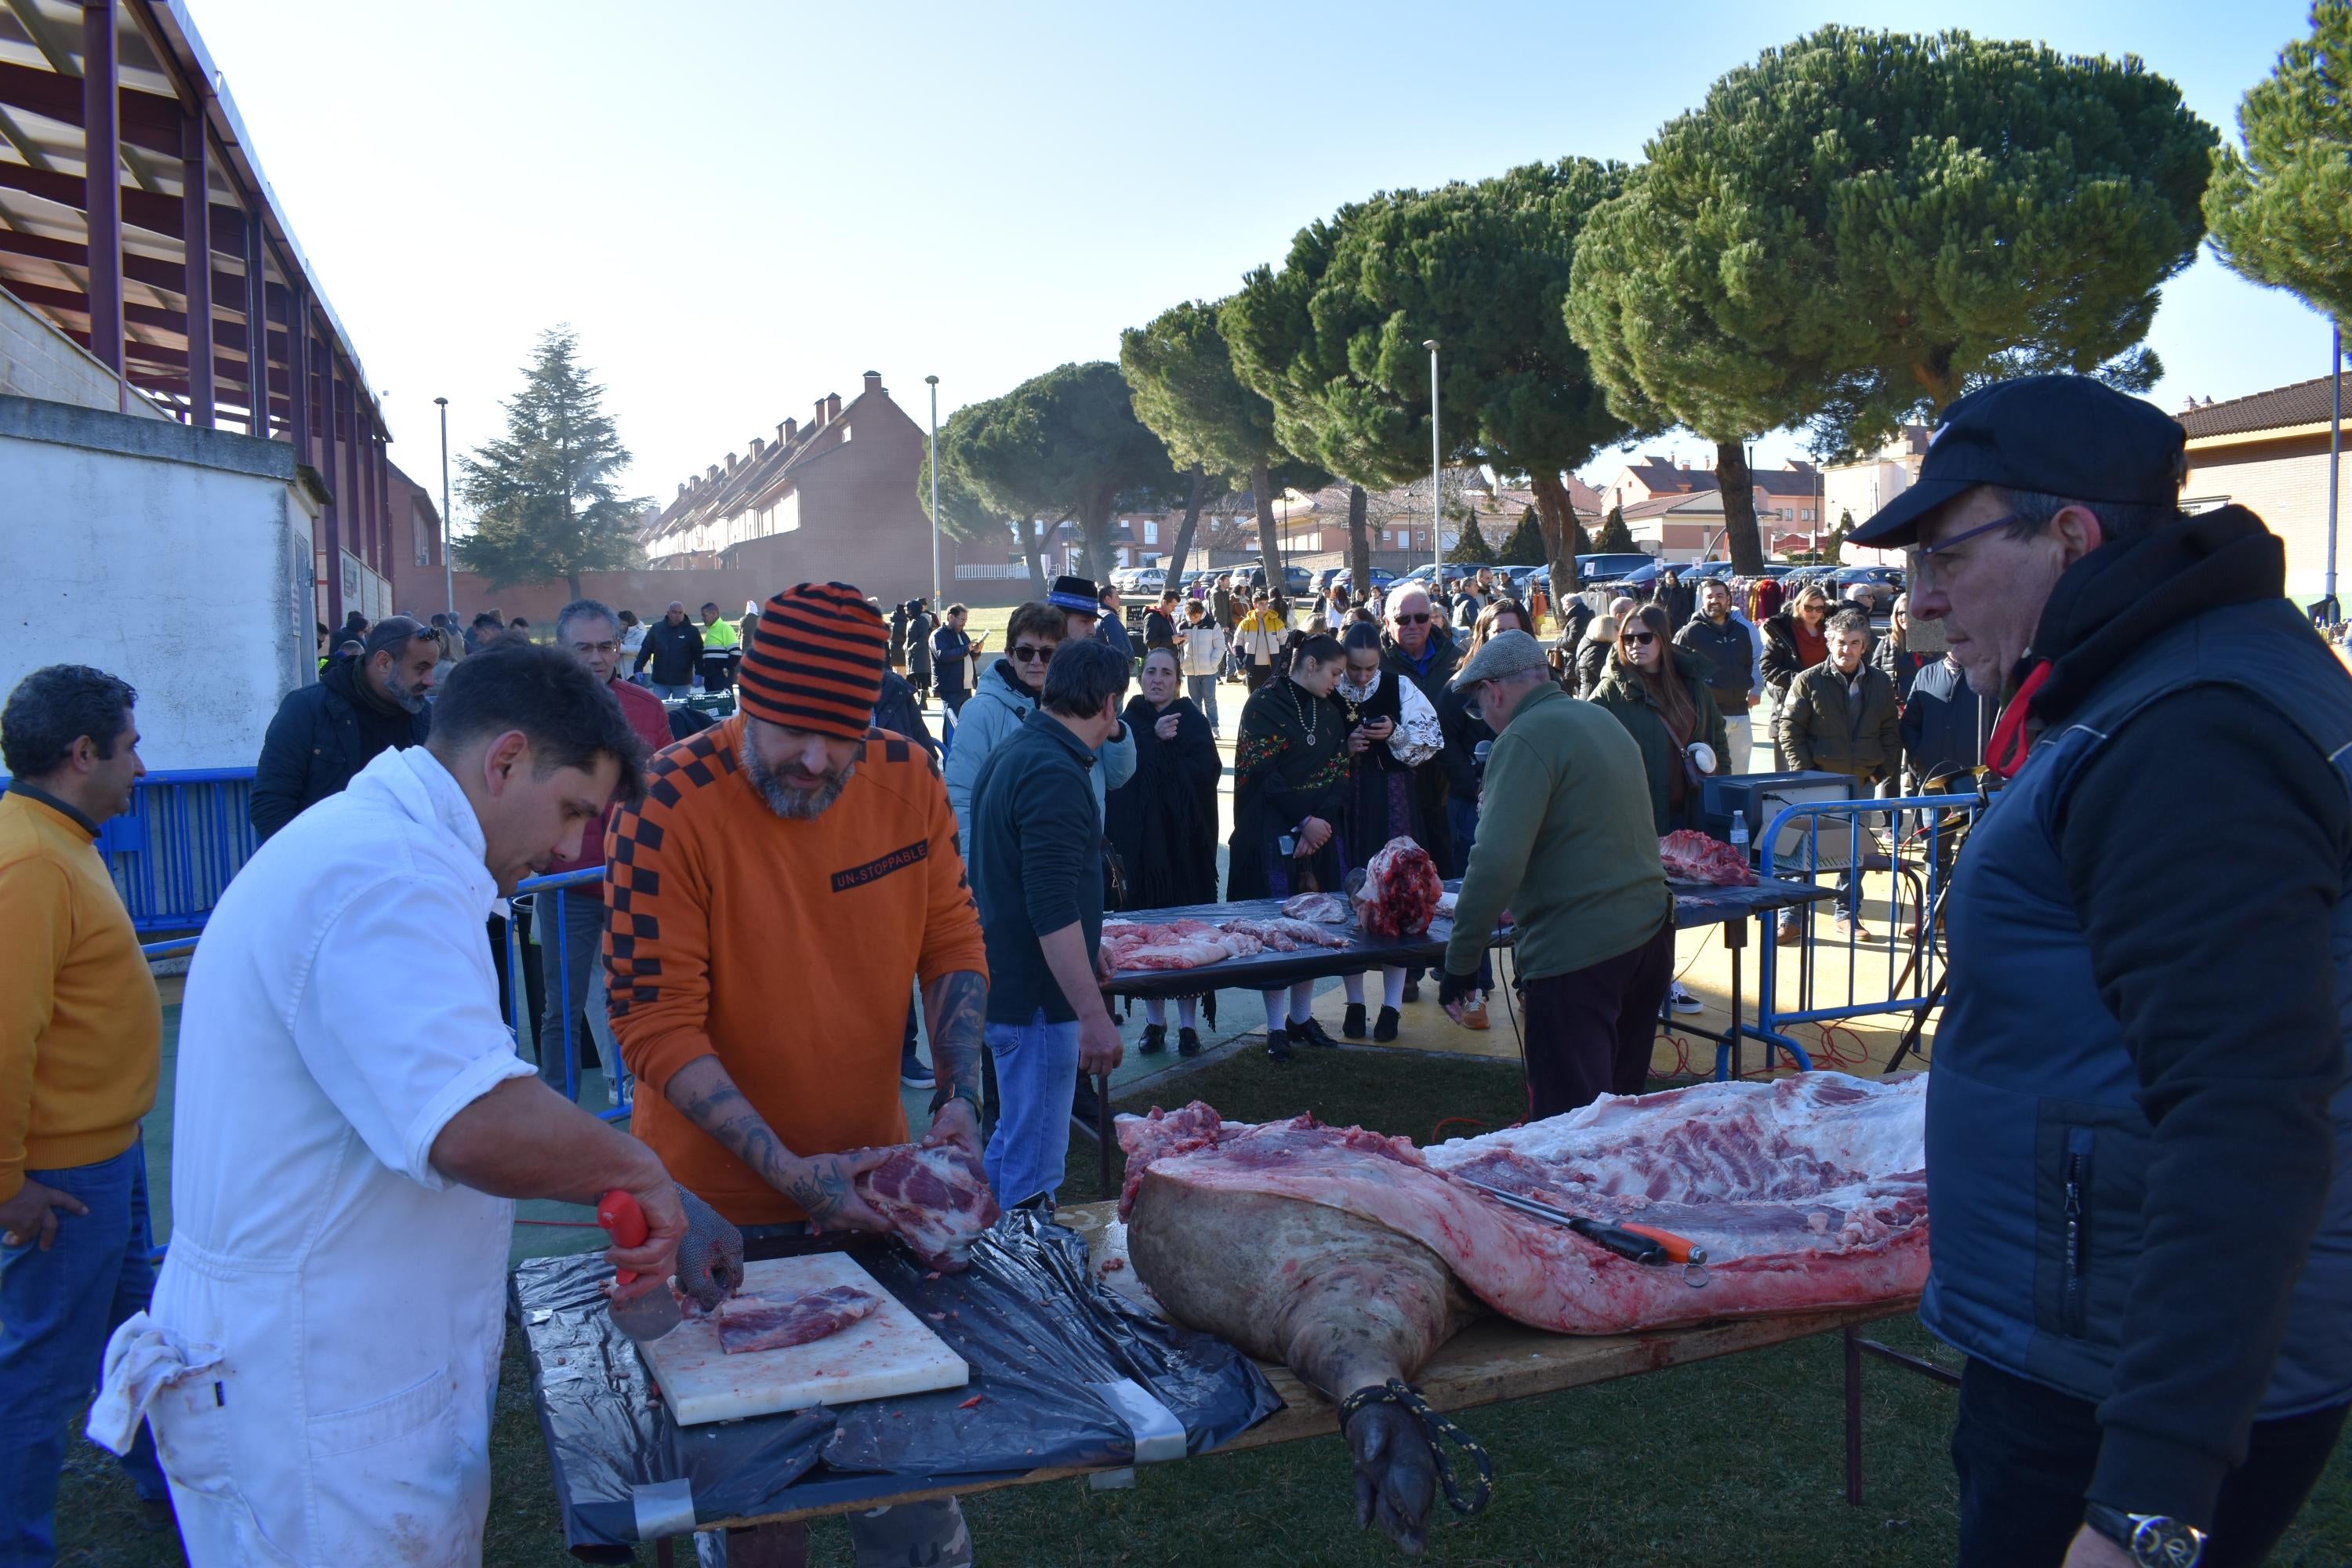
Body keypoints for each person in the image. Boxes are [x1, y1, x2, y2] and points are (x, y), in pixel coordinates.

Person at [1846, 373, 2352, 1568]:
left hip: (2121, 1373)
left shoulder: (2189, 726)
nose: (1921, 601)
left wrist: (2145, 1504)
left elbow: (2245, 1112)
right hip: (2103, 1331)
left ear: (2070, 534)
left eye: (1945, 557)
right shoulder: (2165, 676)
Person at [117, 643, 715, 1566]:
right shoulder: (383, 873)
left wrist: (655, 1188)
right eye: (570, 812)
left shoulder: (393, 853)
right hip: (314, 1386)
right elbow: (468, 1120)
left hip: (339, 1356)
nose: (566, 849)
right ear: (504, 759)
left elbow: (445, 1111)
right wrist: (643, 1170)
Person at [604, 586, 988, 1568]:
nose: (815, 759)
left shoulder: (911, 781)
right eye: (789, 730)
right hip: (711, 1219)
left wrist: (956, 1094)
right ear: (744, 699)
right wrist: (789, 1170)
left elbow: (951, 942)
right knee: (754, 1510)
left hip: (869, 1195)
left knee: (908, 1471)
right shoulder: (665, 804)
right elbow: (653, 1022)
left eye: (842, 733)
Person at [0, 667, 170, 1561]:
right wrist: (9, 1184)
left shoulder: (60, 835)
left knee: (134, 1334)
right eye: (131, 745)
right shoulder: (29, 858)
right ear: (82, 754)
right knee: (36, 1375)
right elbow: (2, 1034)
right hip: (63, 1177)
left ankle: (166, 1488)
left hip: (106, 1153)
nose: (141, 764)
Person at [1436, 631, 1672, 1116]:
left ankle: (1579, 1196)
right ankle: (1621, 1194)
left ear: (1494, 690)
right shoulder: (1598, 718)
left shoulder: (1524, 736)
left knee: (1572, 1127)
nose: (1484, 719)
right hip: (1649, 934)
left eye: (1479, 705)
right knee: (1621, 1114)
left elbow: (1495, 862)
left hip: (1579, 952)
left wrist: (1460, 965)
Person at [968, 640, 1131, 1210]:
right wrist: (1092, 1015)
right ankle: (1019, 1286)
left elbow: (1031, 887)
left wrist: (1088, 949)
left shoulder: (1023, 749)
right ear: (1110, 705)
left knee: (1012, 1148)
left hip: (1017, 989)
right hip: (1038, 1004)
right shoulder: (1053, 772)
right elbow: (1050, 905)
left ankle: (985, 1265)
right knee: (1032, 1172)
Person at [539, 600, 674, 1105]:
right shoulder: (534, 712)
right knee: (562, 1009)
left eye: (607, 646)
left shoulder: (647, 708)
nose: (598, 658)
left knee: (648, 1000)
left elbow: (666, 792)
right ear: (561, 650)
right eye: (584, 648)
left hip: (634, 881)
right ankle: (558, 1112)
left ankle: (652, 1105)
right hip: (564, 884)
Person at [1592, 605, 1729, 1016]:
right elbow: (1589, 748)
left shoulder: (1692, 685)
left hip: (1686, 811)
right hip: (1634, 817)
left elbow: (1717, 738)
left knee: (1673, 904)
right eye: (1627, 638)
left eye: (1644, 637)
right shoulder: (1610, 691)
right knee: (1639, 904)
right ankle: (1650, 984)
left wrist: (1718, 781)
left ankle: (1662, 980)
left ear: (1663, 640)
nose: (1635, 645)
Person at [1229, 632, 1349, 1059]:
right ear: (1311, 664)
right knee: (1276, 928)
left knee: (1314, 928)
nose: (1340, 681)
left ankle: (1301, 1017)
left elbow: (1339, 771)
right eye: (1335, 672)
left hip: (1318, 835)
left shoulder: (1331, 711)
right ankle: (1276, 1027)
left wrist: (1320, 824)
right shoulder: (1264, 705)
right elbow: (1263, 773)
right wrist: (1303, 821)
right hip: (1270, 831)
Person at [942, 600, 1135, 852]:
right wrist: (971, 874)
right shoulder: (981, 712)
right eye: (1025, 652)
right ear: (1010, 654)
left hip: (1080, 852)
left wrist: (1116, 734)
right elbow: (960, 798)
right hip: (1011, 865)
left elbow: (1117, 777)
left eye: (1047, 653)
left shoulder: (1079, 704)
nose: (1036, 661)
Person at [1104, 648, 1220, 1057]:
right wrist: (1153, 742)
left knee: (1186, 938)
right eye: (1150, 671)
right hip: (1143, 852)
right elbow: (1121, 778)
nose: (1157, 679)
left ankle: (1189, 1026)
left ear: (1177, 680)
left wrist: (1168, 750)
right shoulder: (1127, 722)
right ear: (1141, 678)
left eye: (1166, 673)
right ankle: (1155, 1023)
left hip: (1185, 849)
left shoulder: (1193, 722)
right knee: (1148, 936)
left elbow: (1207, 775)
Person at [1333, 622, 1444, 1041]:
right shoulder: (1330, 685)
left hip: (1392, 797)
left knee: (1397, 892)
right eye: (1354, 670)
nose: (1362, 677)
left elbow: (1432, 740)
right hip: (1345, 803)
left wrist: (1395, 733)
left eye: (1369, 668)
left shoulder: (1400, 685)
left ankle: (1393, 1006)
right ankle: (1355, 1002)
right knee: (1350, 896)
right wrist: (1344, 749)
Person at [1432, 601, 1534, 1031]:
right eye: (1496, 632)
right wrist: (1476, 783)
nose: (1505, 639)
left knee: (1525, 898)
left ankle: (1529, 986)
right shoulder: (1460, 686)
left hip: (1526, 801)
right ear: (1481, 636)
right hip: (1469, 799)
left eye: (1514, 631)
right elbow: (1445, 740)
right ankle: (1475, 989)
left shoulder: (1542, 687)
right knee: (1476, 895)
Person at [249, 615, 437, 841]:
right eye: (421, 668)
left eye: (432, 669)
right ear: (384, 662)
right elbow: (270, 805)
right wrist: (318, 866)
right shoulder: (307, 709)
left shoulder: (426, 717)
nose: (430, 681)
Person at [1775, 608, 1899, 942]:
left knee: (1852, 853)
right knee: (1802, 851)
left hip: (1859, 782)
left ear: (1865, 646)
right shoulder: (1808, 680)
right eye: (1841, 643)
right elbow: (1789, 729)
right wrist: (1807, 775)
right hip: (1816, 780)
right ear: (1829, 642)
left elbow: (1890, 728)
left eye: (1854, 643)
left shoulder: (1880, 682)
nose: (1847, 650)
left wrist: (1882, 770)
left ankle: (1847, 915)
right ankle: (1792, 917)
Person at [1380, 585, 1463, 887]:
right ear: (1387, 622)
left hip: (1448, 785)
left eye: (1421, 617)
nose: (1413, 625)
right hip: (1393, 786)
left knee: (1447, 871)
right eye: (1403, 620)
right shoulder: (1372, 664)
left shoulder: (1458, 660)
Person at [1675, 577, 1765, 771]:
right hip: (1708, 715)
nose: (1714, 600)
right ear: (1702, 600)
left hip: (1741, 713)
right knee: (1712, 774)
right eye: (1709, 597)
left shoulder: (1742, 631)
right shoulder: (1691, 633)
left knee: (1740, 775)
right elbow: (1675, 670)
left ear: (1728, 599)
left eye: (1719, 596)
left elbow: (1749, 663)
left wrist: (1753, 688)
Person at [1898, 650, 1991, 793]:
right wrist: (1919, 756)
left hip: (1975, 782)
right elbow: (1909, 724)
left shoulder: (1990, 677)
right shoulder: (1926, 674)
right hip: (1932, 780)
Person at [1760, 583, 1832, 767]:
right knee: (1788, 774)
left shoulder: (1830, 631)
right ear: (1799, 605)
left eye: (1819, 608)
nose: (1814, 612)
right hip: (1790, 703)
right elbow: (1767, 666)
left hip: (1823, 706)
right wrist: (1797, 680)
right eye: (1809, 607)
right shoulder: (1783, 630)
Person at [633, 601, 702, 699]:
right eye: (674, 612)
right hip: (661, 681)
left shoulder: (692, 631)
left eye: (680, 613)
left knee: (679, 711)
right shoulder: (657, 629)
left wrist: (699, 673)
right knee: (659, 710)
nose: (677, 616)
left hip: (682, 682)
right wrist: (638, 668)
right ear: (668, 613)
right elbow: (646, 649)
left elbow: (698, 654)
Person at [1871, 593, 1931, 706]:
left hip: (1929, 705)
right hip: (1899, 708)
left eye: (1908, 612)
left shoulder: (1933, 642)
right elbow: (1873, 677)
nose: (1903, 617)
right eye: (1900, 613)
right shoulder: (1887, 643)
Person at [1178, 597, 1226, 734]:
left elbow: (1220, 646)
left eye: (1196, 616)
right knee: (1194, 701)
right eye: (1190, 616)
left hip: (1208, 671)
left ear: (1201, 612)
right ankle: (1197, 727)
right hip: (1190, 671)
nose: (1193, 619)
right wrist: (1182, 663)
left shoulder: (1213, 625)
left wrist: (1213, 663)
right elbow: (1179, 648)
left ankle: (1214, 726)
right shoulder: (1182, 626)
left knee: (1210, 699)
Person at [931, 603, 978, 731]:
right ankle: (949, 751)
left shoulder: (962, 634)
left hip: (966, 689)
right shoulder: (938, 635)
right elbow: (944, 655)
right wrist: (967, 648)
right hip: (950, 689)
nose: (964, 623)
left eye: (966, 620)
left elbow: (968, 656)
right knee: (951, 726)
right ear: (951, 617)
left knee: (965, 727)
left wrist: (976, 651)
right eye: (962, 620)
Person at [1235, 590, 1287, 691]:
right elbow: (1237, 644)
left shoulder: (1278, 623)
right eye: (1261, 603)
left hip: (1272, 669)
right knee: (1253, 698)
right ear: (1254, 605)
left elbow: (1285, 644)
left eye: (1266, 603)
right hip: (1252, 669)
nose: (1265, 606)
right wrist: (1243, 662)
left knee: (1271, 699)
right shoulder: (1245, 623)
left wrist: (1280, 662)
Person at [696, 601, 741, 695]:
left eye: (704, 615)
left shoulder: (725, 628)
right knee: (712, 706)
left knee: (723, 706)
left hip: (721, 679)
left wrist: (725, 668)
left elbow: (736, 653)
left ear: (714, 614)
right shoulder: (710, 630)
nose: (702, 618)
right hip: (710, 677)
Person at [906, 598, 936, 705]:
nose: (906, 610)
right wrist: (906, 646)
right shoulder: (912, 621)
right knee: (916, 677)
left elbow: (924, 637)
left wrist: (914, 646)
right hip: (913, 654)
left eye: (908, 609)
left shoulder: (921, 620)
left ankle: (922, 702)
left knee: (922, 677)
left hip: (920, 653)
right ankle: (921, 701)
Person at [1094, 583, 1133, 660]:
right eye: (1117, 596)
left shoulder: (1099, 613)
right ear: (1108, 599)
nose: (1120, 599)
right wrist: (1129, 660)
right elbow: (1118, 648)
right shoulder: (1108, 617)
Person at [1143, 590, 1180, 655]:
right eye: (1172, 606)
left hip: (1169, 660)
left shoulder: (1168, 616)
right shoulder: (1152, 617)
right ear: (1164, 602)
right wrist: (1171, 640)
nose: (1174, 609)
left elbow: (1169, 638)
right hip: (1159, 661)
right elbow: (1150, 642)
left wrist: (1180, 639)